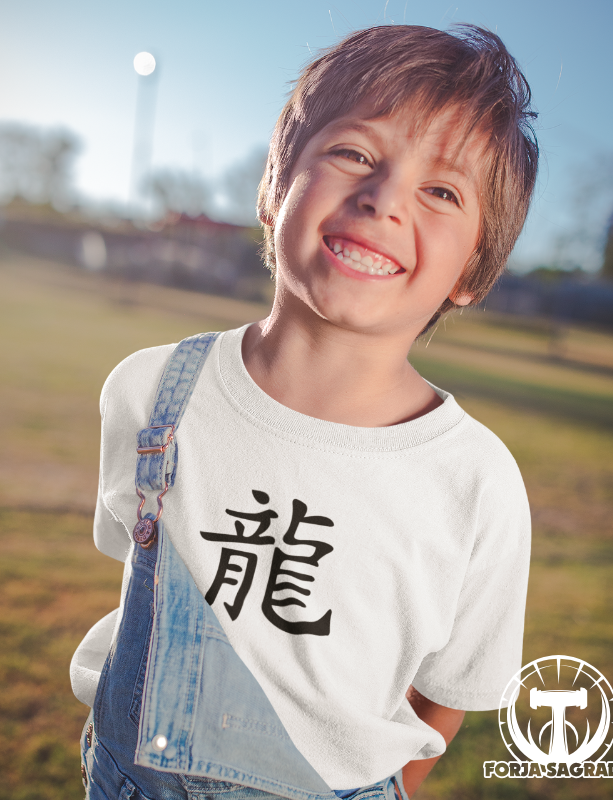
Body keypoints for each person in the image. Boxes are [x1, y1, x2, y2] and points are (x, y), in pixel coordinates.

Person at [71, 23, 538, 800]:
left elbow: (448, 694)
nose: (384, 200)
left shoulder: (476, 480)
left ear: (472, 272)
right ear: (274, 187)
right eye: (354, 152)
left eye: (442, 191)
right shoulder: (151, 389)